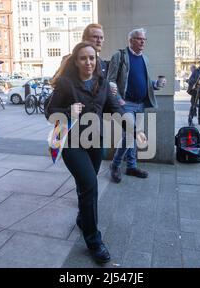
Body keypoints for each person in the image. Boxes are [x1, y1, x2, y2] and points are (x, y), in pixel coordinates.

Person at [46, 42, 147, 263]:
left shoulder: (102, 84)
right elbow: (50, 112)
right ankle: (94, 240)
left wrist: (135, 129)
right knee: (90, 185)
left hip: (95, 142)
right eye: (83, 58)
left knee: (86, 187)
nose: (89, 62)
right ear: (76, 61)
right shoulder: (65, 84)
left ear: (97, 60)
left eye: (92, 58)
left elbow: (116, 109)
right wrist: (68, 111)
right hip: (72, 143)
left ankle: (84, 218)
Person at [107, 28, 164, 183]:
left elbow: (144, 81)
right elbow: (110, 80)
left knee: (132, 136)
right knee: (132, 134)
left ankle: (131, 166)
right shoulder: (119, 56)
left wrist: (156, 84)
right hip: (126, 104)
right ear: (131, 40)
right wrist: (118, 99)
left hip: (140, 104)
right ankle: (115, 164)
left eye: (144, 39)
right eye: (139, 39)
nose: (142, 42)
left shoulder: (144, 58)